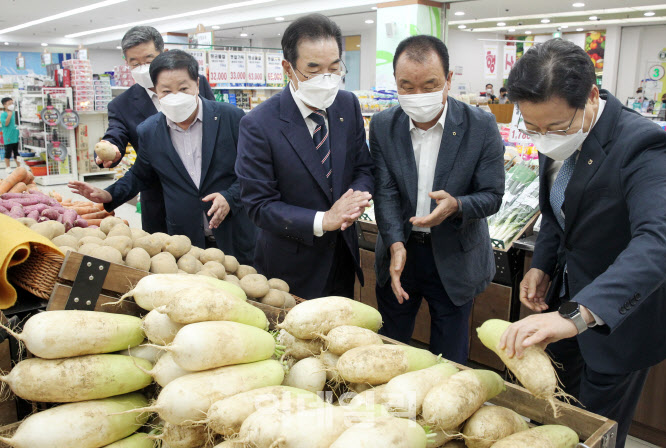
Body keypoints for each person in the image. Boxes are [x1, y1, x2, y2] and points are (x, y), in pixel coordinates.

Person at [501, 39, 666, 448]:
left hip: (615, 321)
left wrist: (581, 314)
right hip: (561, 301)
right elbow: (562, 210)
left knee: (597, 433)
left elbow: (658, 240)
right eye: (533, 127)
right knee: (555, 417)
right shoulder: (553, 128)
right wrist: (542, 263)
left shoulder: (642, 146)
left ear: (592, 96)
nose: (545, 138)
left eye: (555, 128)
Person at [370, 35, 505, 363]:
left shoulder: (480, 125)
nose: (418, 95)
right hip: (399, 252)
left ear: (448, 80)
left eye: (429, 84)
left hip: (455, 256)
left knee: (449, 359)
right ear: (396, 84)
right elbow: (385, 192)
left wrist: (457, 206)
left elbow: (492, 195)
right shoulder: (384, 125)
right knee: (389, 350)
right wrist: (394, 244)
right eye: (407, 86)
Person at [69, 50, 255, 264]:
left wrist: (230, 196)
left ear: (197, 83)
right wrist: (109, 195)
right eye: (166, 91)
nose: (176, 96)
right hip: (185, 238)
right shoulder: (149, 130)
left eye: (183, 88)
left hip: (234, 231)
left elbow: (253, 169)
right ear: (155, 91)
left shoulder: (231, 117)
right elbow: (140, 174)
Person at [236, 14, 374, 300]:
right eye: (313, 69)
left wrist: (356, 198)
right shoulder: (259, 124)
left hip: (343, 257)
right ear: (289, 68)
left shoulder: (346, 105)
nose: (326, 78)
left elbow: (362, 167)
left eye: (334, 68)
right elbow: (259, 205)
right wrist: (323, 220)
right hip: (290, 267)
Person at [97, 26, 215, 233]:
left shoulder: (196, 83)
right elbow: (116, 132)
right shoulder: (122, 105)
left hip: (210, 194)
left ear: (163, 54)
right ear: (127, 63)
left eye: (149, 59)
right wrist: (110, 146)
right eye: (135, 62)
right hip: (160, 200)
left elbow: (214, 125)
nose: (143, 67)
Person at [1, 98, 20, 171]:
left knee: (16, 153)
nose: (11, 105)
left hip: (15, 135)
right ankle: (8, 167)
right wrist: (9, 115)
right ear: (4, 105)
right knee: (8, 152)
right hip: (8, 137)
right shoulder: (3, 114)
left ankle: (19, 166)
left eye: (12, 103)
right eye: (9, 104)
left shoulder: (15, 113)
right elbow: (5, 123)